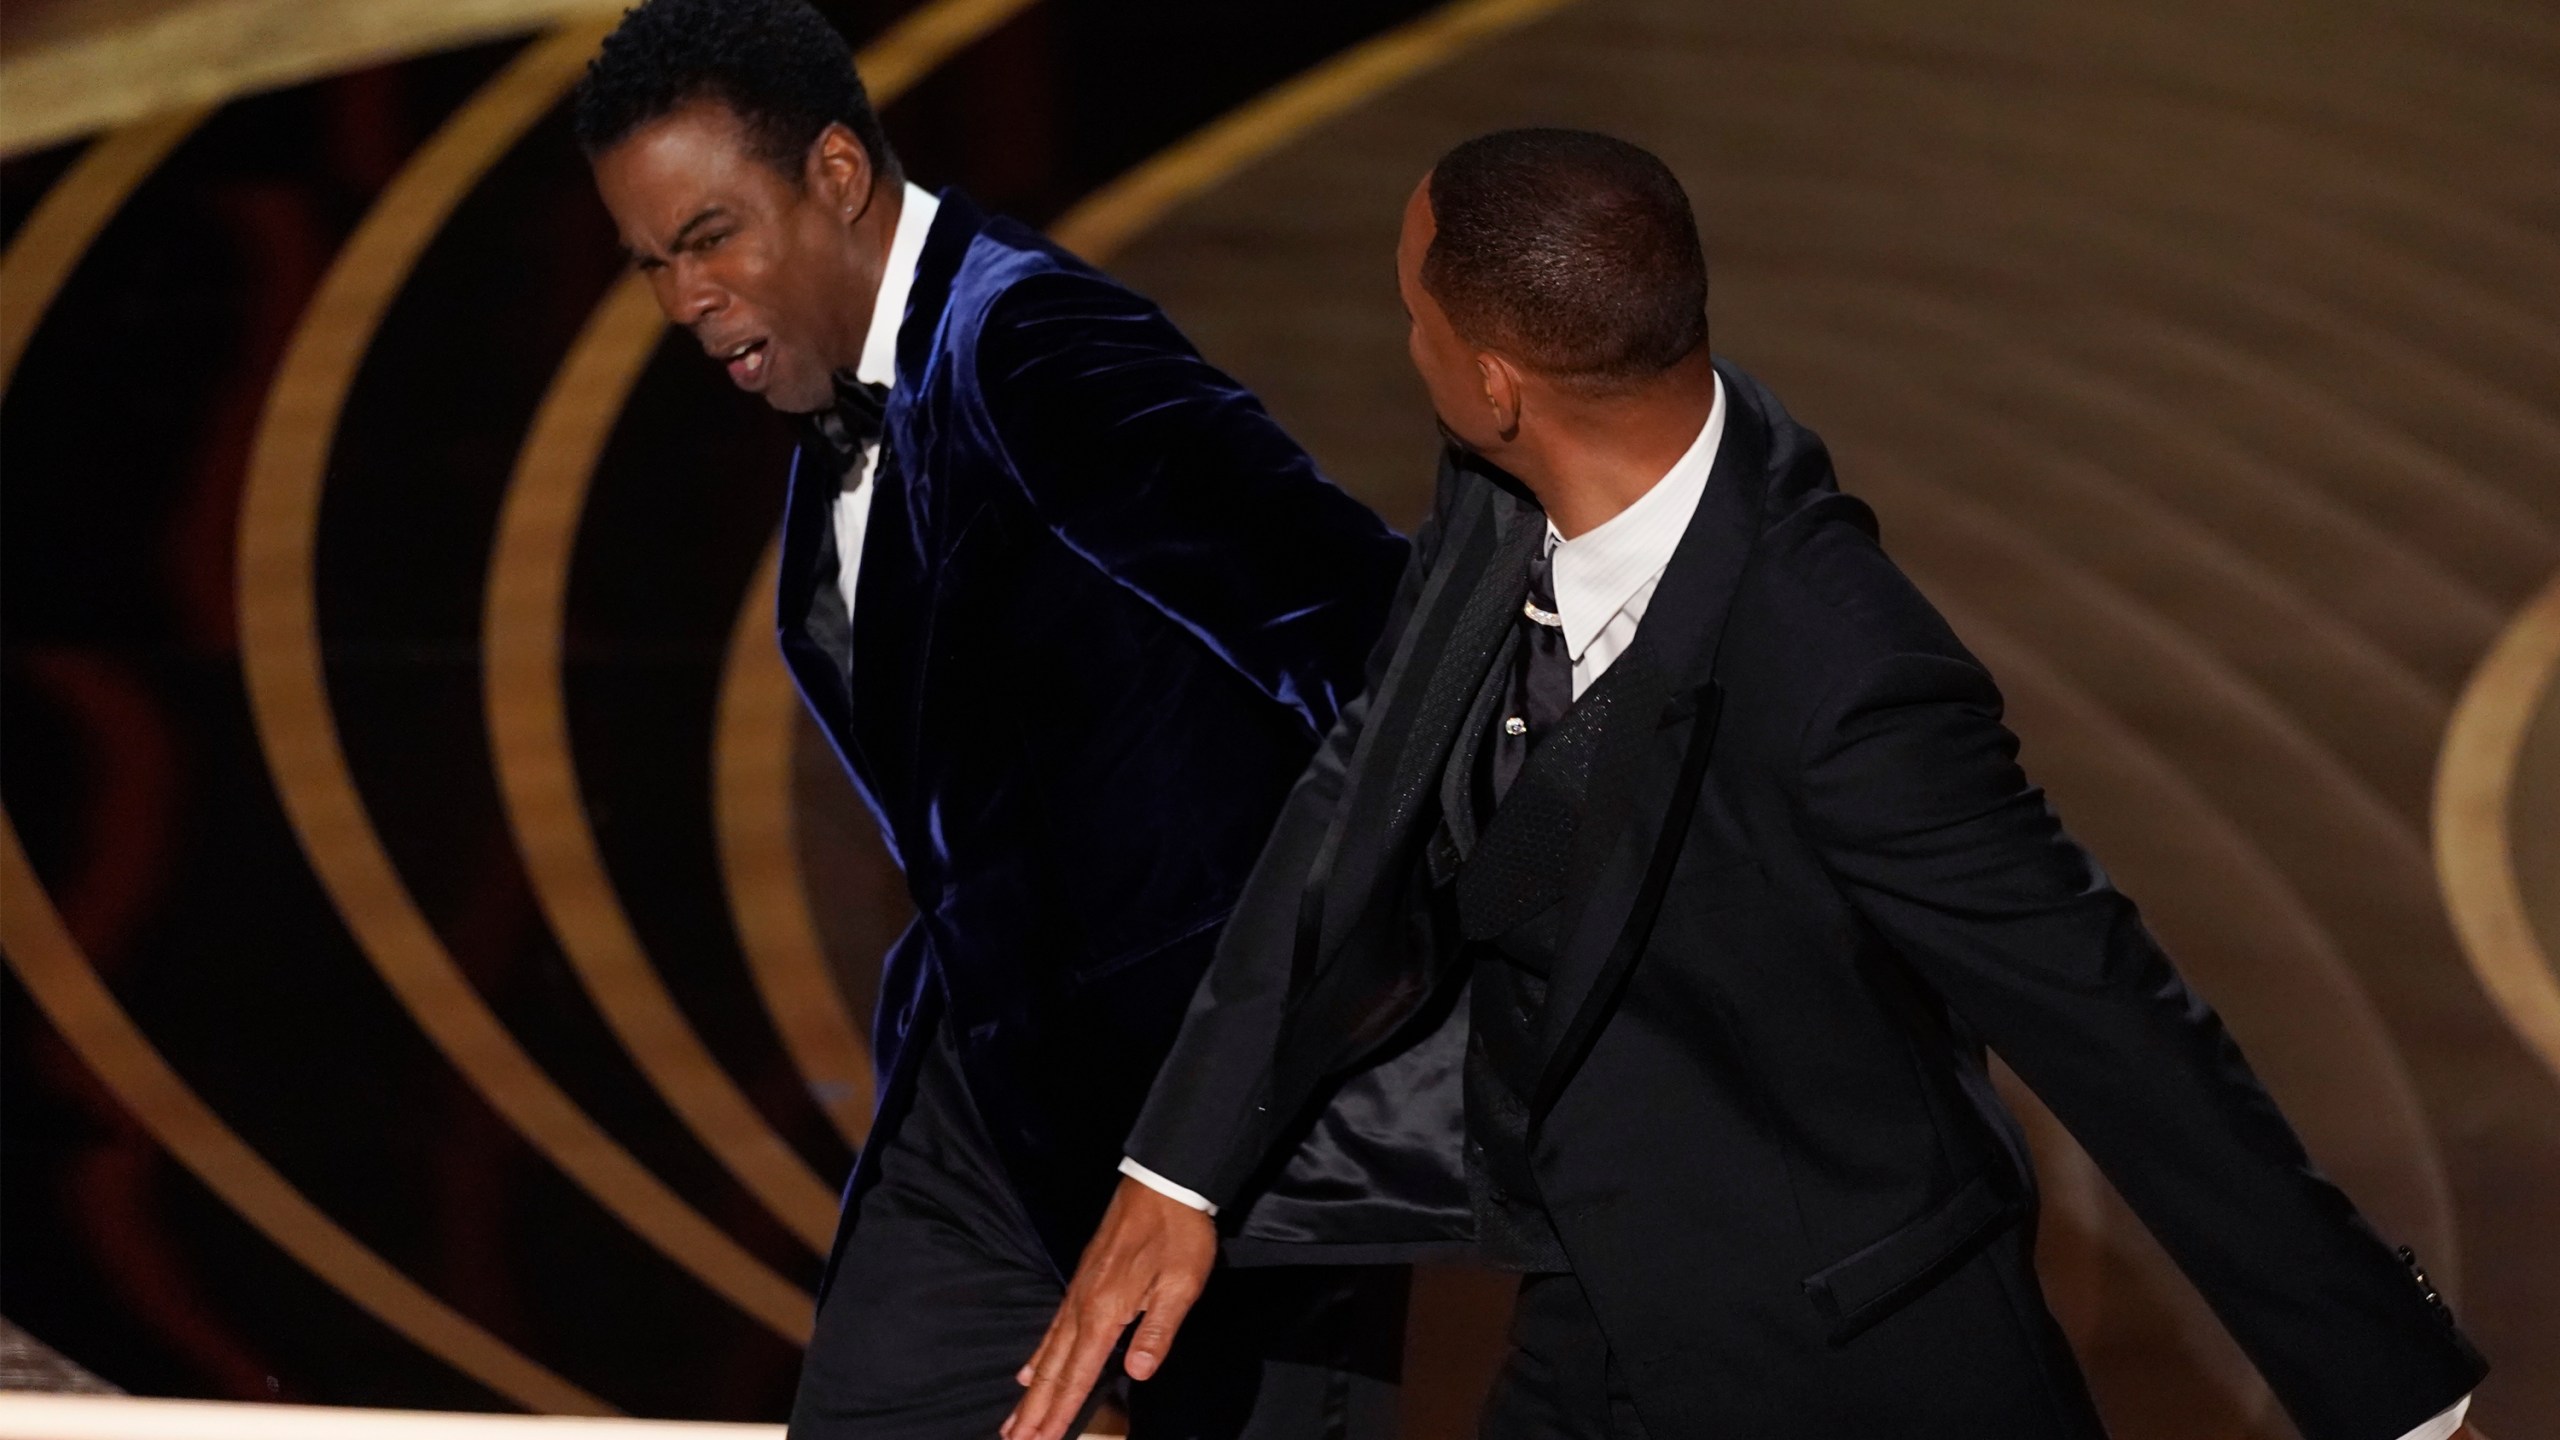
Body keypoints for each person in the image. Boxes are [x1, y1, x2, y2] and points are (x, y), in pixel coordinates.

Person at [1007, 129, 2487, 1440]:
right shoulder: (1498, 488)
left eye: (1412, 315)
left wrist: (2400, 1397)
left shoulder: (1847, 677)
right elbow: (1365, 785)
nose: (1405, 343)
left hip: (1847, 1360)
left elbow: (2115, 1023)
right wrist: (1178, 1170)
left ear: (1500, 383)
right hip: (1589, 1315)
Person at [571, 3, 1415, 1436]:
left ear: (838, 171)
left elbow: (1366, 632)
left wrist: (1268, 1069)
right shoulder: (847, 407)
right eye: (652, 261)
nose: (681, 298)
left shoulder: (1032, 343)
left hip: (1213, 1114)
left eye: (710, 236)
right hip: (991, 1098)